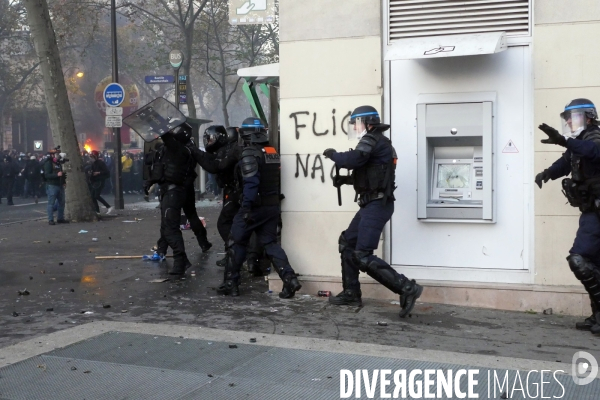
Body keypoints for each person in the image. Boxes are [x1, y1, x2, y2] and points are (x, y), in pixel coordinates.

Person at [322, 105, 422, 318]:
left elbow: (356, 159)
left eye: (357, 123)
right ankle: (351, 292)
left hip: (377, 205)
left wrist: (334, 155)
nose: (355, 128)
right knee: (347, 243)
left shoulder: (373, 140)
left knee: (362, 254)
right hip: (371, 203)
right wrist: (347, 180)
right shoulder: (378, 142)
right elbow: (371, 175)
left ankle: (406, 288)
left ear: (367, 122)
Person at [535, 98, 600, 335]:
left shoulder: (594, 136)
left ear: (589, 116)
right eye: (568, 118)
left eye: (575, 117)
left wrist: (564, 140)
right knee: (593, 264)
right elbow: (566, 162)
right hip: (591, 211)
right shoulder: (579, 142)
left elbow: (594, 152)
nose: (571, 122)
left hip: (596, 213)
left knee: (579, 259)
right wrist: (547, 173)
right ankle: (597, 316)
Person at [216, 117, 302, 298]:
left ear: (246, 134)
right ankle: (289, 279)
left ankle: (231, 283)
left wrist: (245, 209)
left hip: (253, 207)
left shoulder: (250, 154)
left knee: (235, 241)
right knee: (270, 244)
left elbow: (251, 184)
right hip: (271, 207)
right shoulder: (271, 152)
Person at [43, 148, 69, 225]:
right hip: (52, 185)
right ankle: (51, 219)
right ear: (52, 155)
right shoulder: (48, 163)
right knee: (51, 203)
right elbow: (47, 175)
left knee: (62, 202)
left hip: (60, 185)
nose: (58, 156)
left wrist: (63, 182)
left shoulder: (58, 163)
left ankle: (60, 218)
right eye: (56, 154)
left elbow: (62, 173)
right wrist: (56, 175)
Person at [86, 150, 113, 215]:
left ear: (95, 156)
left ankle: (108, 206)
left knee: (96, 196)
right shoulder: (92, 164)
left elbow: (107, 172)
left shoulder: (101, 163)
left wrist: (98, 173)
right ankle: (97, 211)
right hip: (94, 181)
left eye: (92, 157)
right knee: (92, 196)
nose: (90, 158)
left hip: (100, 181)